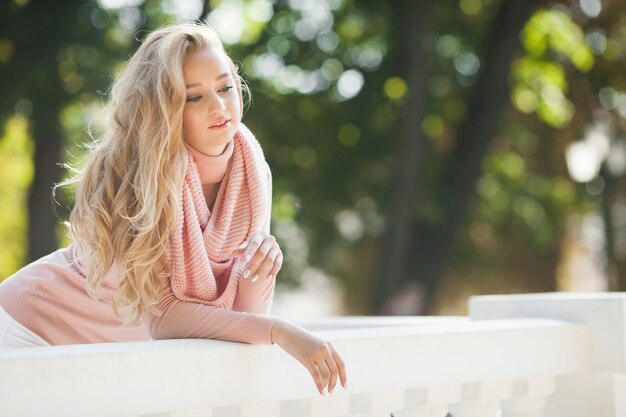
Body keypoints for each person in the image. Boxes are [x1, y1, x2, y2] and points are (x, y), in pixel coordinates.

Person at [0, 22, 347, 396]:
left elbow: (244, 318)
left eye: (226, 87)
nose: (219, 106)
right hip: (28, 328)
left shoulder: (251, 171)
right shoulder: (141, 175)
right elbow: (162, 317)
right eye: (194, 97)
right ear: (165, 109)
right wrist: (280, 332)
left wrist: (259, 271)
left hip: (100, 354)